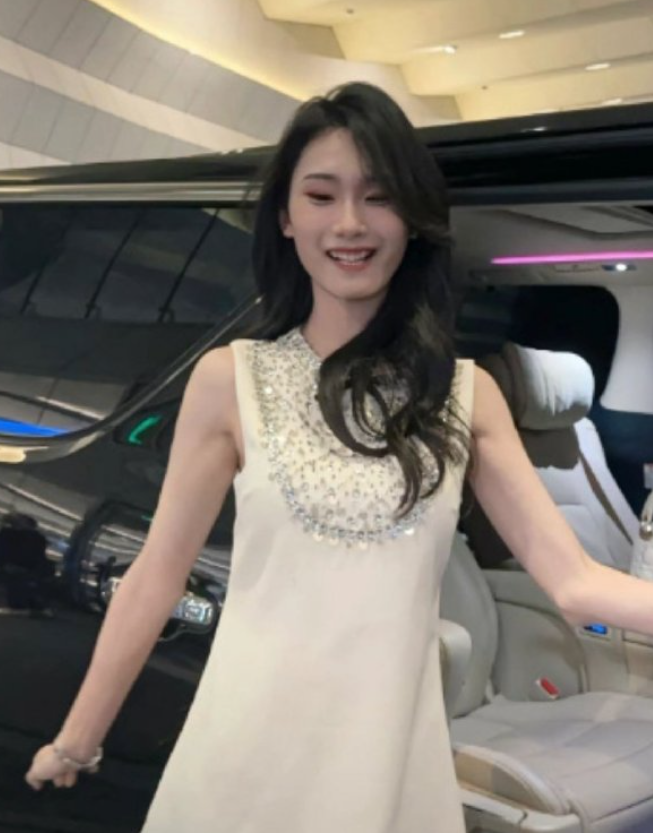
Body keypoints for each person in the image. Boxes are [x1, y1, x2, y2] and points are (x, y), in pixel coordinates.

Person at [23, 81, 653, 832]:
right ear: (286, 218)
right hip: (245, 751)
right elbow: (156, 573)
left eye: (378, 197)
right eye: (321, 196)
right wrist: (77, 739)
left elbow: (576, 583)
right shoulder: (231, 380)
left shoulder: (466, 394)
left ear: (412, 219)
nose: (349, 223)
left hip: (386, 764)